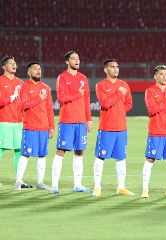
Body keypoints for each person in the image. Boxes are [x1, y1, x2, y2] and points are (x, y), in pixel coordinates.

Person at [51, 51, 92, 194]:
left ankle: (78, 185)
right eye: (74, 58)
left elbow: (86, 100)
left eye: (78, 58)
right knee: (61, 151)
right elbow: (61, 98)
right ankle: (55, 185)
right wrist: (77, 94)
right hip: (67, 120)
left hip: (81, 122)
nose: (77, 60)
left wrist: (89, 119)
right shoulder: (62, 78)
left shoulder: (83, 78)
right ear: (67, 62)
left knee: (79, 151)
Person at [92, 59, 134, 197]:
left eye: (117, 66)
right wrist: (118, 94)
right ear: (106, 70)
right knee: (100, 157)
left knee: (121, 157)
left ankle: (121, 187)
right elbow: (105, 102)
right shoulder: (101, 85)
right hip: (106, 128)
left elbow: (129, 104)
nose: (116, 69)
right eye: (112, 67)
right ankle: (97, 186)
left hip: (121, 128)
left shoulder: (124, 85)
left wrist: (120, 109)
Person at [141, 65, 166, 198]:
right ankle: (145, 189)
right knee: (150, 159)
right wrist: (165, 101)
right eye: (162, 74)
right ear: (155, 76)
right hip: (156, 132)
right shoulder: (150, 91)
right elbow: (151, 110)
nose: (165, 77)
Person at [14, 62, 54, 190]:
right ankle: (18, 181)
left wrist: (51, 127)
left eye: (39, 69)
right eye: (35, 69)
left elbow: (49, 109)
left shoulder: (46, 88)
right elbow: (23, 105)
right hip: (30, 127)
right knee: (25, 154)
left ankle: (40, 182)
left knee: (42, 155)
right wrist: (39, 98)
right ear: (29, 72)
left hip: (43, 127)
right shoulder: (25, 87)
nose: (38, 71)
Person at [0, 56, 32, 188]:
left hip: (19, 122)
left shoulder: (21, 83)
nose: (14, 65)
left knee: (20, 151)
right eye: (11, 63)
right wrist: (12, 96)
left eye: (15, 63)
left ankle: (19, 180)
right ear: (3, 67)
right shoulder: (1, 81)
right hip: (3, 122)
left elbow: (24, 104)